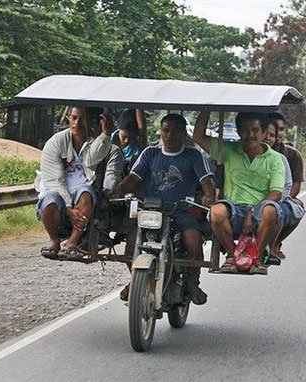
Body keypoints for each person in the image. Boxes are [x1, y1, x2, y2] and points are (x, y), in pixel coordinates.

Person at [110, 114, 215, 305]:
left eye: (175, 131)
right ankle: (136, 279)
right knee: (131, 245)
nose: (169, 135)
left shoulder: (193, 155)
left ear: (184, 133)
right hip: (151, 210)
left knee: (193, 243)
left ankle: (192, 282)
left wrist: (208, 195)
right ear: (161, 131)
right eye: (166, 130)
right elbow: (133, 178)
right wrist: (115, 192)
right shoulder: (150, 153)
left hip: (182, 211)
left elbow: (207, 182)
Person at [193, 111, 285, 274]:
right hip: (234, 212)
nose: (250, 135)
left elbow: (276, 192)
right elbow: (198, 137)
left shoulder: (275, 158)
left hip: (260, 213)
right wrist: (207, 107)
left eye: (255, 130)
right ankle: (232, 254)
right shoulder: (228, 150)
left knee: (271, 210)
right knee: (216, 211)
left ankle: (255, 257)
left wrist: (251, 212)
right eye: (245, 130)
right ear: (238, 132)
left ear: (263, 133)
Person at [36, 106, 122, 260]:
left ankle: (72, 242)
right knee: (50, 199)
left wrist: (105, 134)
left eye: (82, 119)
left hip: (82, 196)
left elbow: (92, 160)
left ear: (93, 123)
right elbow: (55, 181)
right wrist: (69, 208)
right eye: (74, 118)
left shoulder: (99, 143)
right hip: (57, 193)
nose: (77, 123)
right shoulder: (55, 143)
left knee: (86, 192)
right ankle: (54, 240)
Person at [262, 120, 305, 260]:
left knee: (280, 210)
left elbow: (291, 185)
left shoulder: (285, 157)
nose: (268, 138)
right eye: (265, 134)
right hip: (250, 199)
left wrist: (278, 198)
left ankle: (274, 244)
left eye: (273, 134)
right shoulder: (241, 154)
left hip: (277, 197)